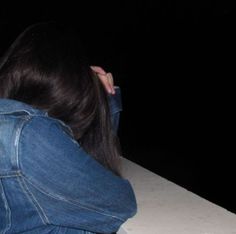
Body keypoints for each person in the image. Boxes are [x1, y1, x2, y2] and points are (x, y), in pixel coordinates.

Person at [0, 22, 137, 234]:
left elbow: (94, 160)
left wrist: (104, 100)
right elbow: (118, 202)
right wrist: (105, 100)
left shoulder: (13, 127)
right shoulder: (27, 137)